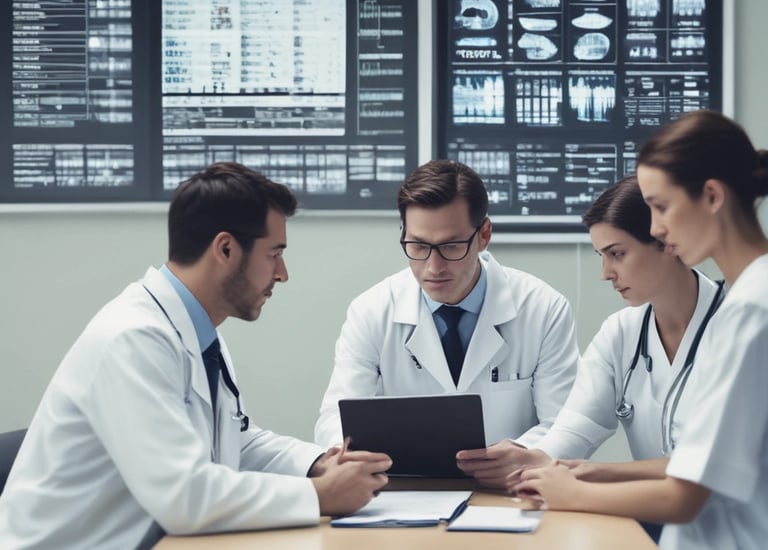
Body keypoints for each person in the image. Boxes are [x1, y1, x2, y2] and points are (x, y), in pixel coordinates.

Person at [0, 162, 391, 549]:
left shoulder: (193, 331)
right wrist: (319, 495)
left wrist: (319, 462)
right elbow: (184, 497)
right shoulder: (133, 338)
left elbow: (237, 440)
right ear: (225, 248)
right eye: (274, 254)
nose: (283, 273)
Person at [512, 110, 768, 550]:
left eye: (661, 206)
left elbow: (685, 496)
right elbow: (704, 463)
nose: (656, 229)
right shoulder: (750, 300)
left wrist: (574, 494)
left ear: (711, 196)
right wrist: (592, 472)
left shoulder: (750, 310)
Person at [459, 175, 724, 541]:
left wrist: (583, 481)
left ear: (667, 241)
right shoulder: (621, 331)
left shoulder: (736, 327)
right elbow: (577, 423)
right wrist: (538, 461)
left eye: (617, 254)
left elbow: (711, 467)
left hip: (734, 529)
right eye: (601, 257)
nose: (605, 274)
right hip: (663, 527)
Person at [314, 158, 580, 487]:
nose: (433, 267)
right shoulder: (371, 311)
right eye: (419, 246)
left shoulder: (543, 308)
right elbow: (335, 420)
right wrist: (348, 453)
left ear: (483, 235)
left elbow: (565, 423)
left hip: (513, 491)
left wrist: (526, 453)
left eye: (451, 246)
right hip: (404, 493)